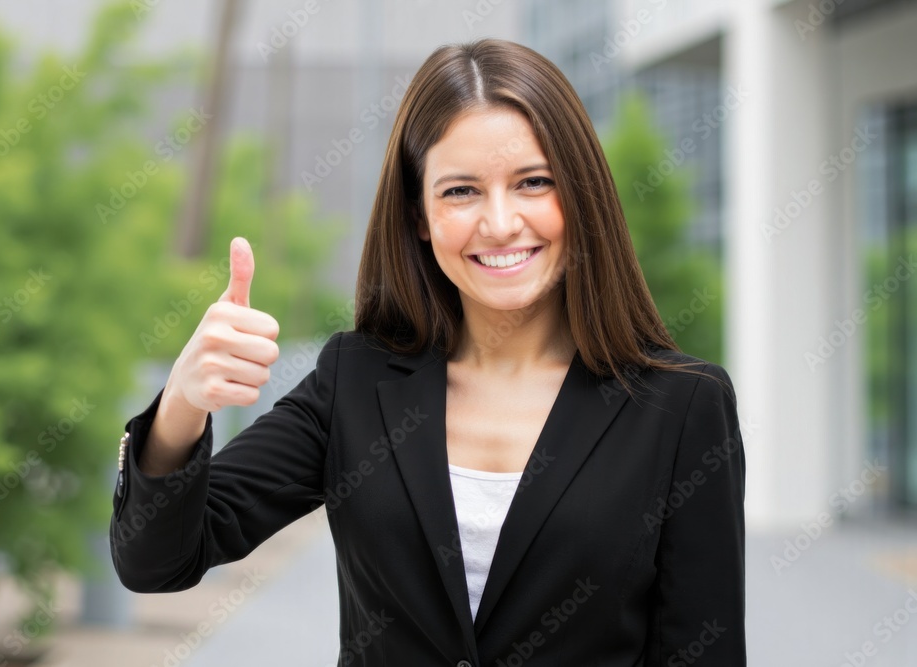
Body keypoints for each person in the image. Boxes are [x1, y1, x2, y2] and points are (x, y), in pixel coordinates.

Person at [109, 39, 746, 666]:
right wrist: (183, 404)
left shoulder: (682, 407)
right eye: (461, 191)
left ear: (579, 193)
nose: (499, 224)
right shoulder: (356, 382)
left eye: (533, 182)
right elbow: (158, 562)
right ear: (419, 215)